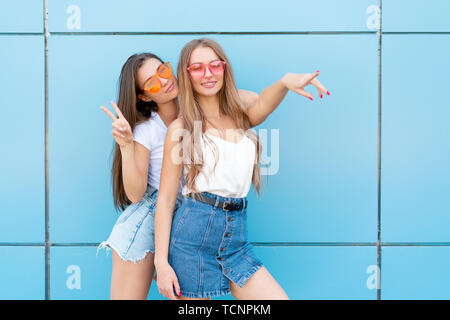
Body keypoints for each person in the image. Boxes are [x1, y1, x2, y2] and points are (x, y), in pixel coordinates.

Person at [154, 38, 330, 300]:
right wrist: (161, 262)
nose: (208, 74)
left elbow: (262, 104)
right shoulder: (181, 129)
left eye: (215, 65)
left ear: (225, 68)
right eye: (198, 68)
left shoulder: (240, 116)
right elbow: (167, 200)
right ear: (186, 75)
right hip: (192, 241)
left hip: (235, 238)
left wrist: (284, 83)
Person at [97, 52, 260, 299]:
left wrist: (205, 92)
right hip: (149, 220)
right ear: (144, 95)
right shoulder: (147, 130)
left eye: (163, 70)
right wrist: (126, 145)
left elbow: (252, 99)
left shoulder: (198, 110)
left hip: (189, 220)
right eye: (152, 82)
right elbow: (135, 193)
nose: (163, 81)